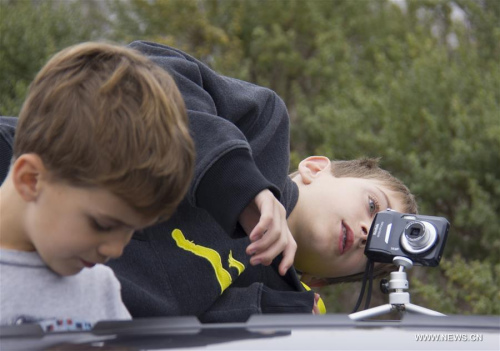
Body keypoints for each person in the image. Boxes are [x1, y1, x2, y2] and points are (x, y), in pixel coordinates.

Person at [103, 41, 418, 323]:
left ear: (319, 282)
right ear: (315, 168)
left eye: (374, 253)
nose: (367, 233)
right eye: (373, 206)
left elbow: (169, 334)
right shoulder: (263, 130)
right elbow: (140, 69)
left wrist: (267, 313)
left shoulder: (283, 314)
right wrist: (235, 178)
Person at [0, 42, 195, 328]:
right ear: (31, 179)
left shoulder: (101, 288)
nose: (116, 250)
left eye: (133, 230)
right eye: (102, 225)